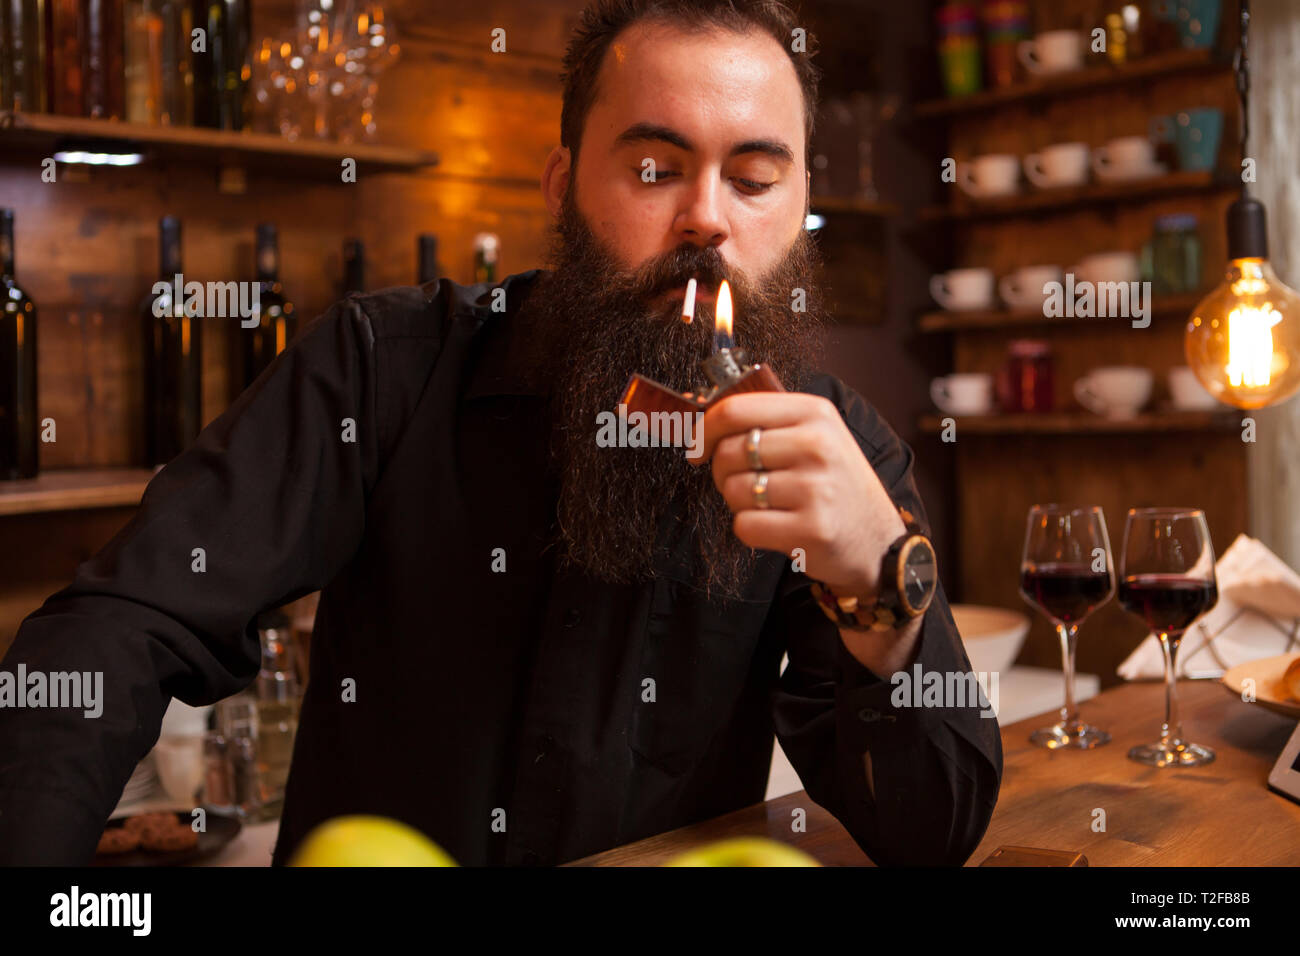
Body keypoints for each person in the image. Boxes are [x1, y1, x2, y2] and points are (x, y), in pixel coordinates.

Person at [0, 0, 1000, 866]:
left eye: (752, 177)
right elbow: (122, 624)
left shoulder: (837, 449)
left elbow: (932, 832)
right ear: (561, 185)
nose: (706, 218)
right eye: (655, 167)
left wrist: (883, 580)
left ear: (800, 207)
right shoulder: (383, 367)